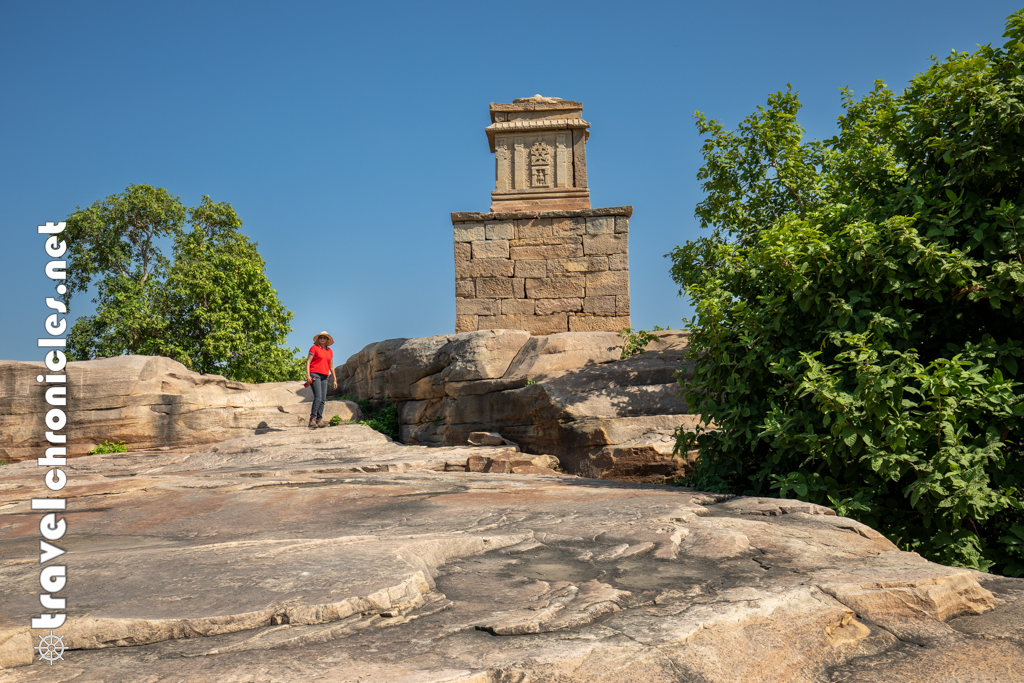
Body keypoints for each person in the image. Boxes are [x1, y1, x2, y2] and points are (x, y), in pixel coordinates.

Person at [306, 331, 336, 428]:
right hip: (315, 374)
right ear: (318, 339)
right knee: (318, 397)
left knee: (323, 399)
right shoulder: (314, 348)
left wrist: (335, 379)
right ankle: (312, 420)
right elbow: (308, 362)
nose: (322, 339)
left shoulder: (329, 351)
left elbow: (331, 366)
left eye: (324, 337)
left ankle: (319, 419)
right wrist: (308, 375)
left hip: (324, 376)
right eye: (321, 337)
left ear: (327, 340)